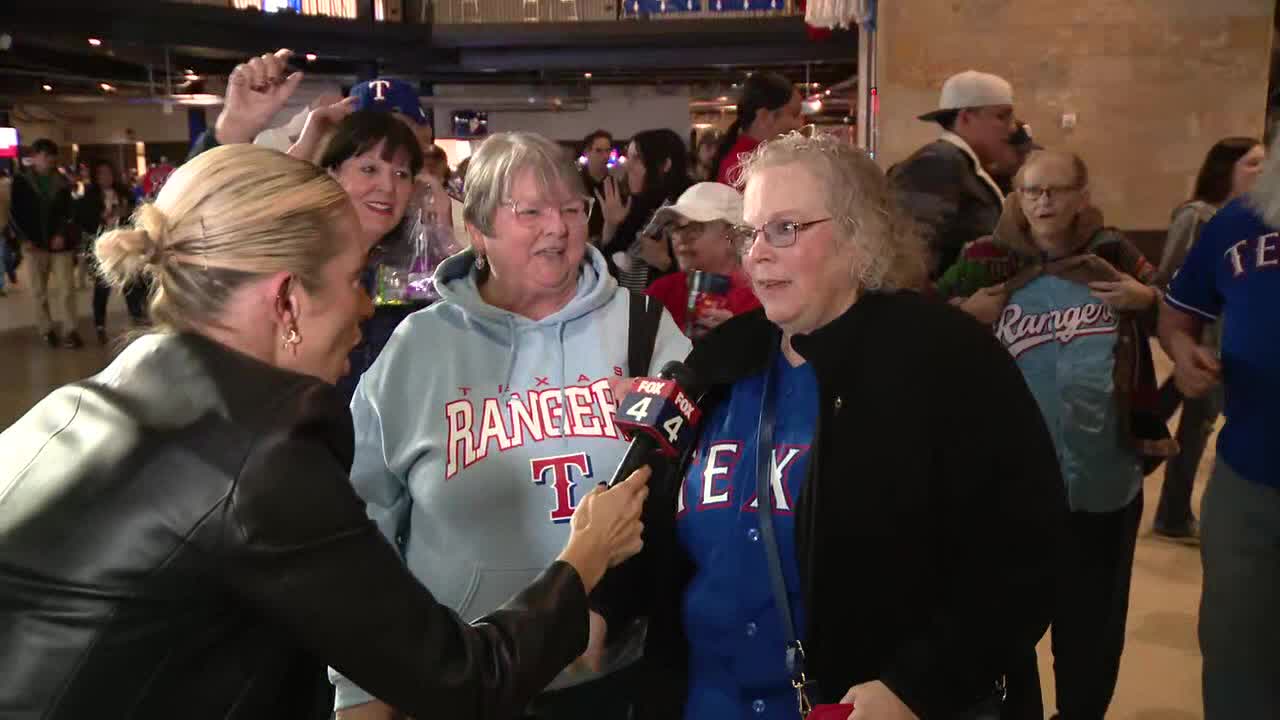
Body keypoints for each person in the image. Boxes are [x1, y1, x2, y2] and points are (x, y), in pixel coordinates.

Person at [0, 143, 652, 719]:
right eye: (355, 281)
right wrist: (585, 557)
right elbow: (467, 681)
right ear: (286, 301)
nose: (368, 308)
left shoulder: (89, 400)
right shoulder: (256, 459)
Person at [596, 132, 1066, 720]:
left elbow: (1024, 551)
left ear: (857, 234)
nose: (757, 254)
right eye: (750, 232)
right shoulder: (718, 361)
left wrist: (916, 688)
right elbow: (645, 511)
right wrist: (598, 608)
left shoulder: (946, 359)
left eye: (785, 229)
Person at [328, 131, 691, 719]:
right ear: (478, 228)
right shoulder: (420, 346)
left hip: (612, 681)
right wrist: (358, 688)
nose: (558, 227)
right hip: (459, 681)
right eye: (531, 212)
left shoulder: (644, 329)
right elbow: (360, 524)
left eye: (573, 208)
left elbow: (685, 494)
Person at [940, 150, 1170, 720]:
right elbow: (924, 323)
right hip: (1009, 488)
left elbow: (1177, 309)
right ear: (1016, 194)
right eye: (1032, 190)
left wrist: (1148, 302)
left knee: (1092, 628)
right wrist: (964, 313)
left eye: (1057, 190)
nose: (1043, 202)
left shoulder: (1111, 255)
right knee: (1005, 626)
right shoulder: (984, 260)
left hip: (1103, 477)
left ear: (1081, 194)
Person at [1161, 133, 1280, 720]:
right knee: (1236, 655)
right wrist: (1183, 354)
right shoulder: (1242, 219)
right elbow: (1179, 311)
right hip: (1249, 479)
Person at [1149, 137, 1265, 543]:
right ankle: (1172, 513)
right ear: (1225, 169)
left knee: (1193, 425)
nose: (1261, 170)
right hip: (1207, 346)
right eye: (1252, 164)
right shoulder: (1201, 217)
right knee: (1191, 429)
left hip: (1222, 348)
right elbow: (1170, 277)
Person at [889, 70, 1019, 279]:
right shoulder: (936, 163)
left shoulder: (960, 163)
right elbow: (911, 255)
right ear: (966, 118)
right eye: (1002, 116)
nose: (1012, 128)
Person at [641, 182, 761, 338]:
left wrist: (739, 338)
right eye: (675, 227)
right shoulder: (662, 291)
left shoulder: (761, 300)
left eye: (695, 228)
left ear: (734, 236)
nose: (680, 238)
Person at [9, 138, 81, 348]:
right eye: (45, 156)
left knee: (67, 289)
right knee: (38, 292)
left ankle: (71, 330)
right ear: (35, 157)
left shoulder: (62, 182)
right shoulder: (21, 182)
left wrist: (61, 234)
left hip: (61, 246)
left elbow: (69, 213)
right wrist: (25, 239)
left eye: (52, 156)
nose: (49, 160)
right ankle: (46, 329)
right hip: (34, 246)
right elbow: (15, 214)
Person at [599, 128, 691, 291]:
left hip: (666, 311)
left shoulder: (688, 209)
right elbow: (608, 266)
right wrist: (610, 225)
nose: (628, 166)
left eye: (637, 158)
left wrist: (665, 264)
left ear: (665, 165)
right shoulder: (635, 205)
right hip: (630, 308)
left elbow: (707, 278)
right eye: (629, 157)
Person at [74, 159, 147, 344]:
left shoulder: (125, 194)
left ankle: (138, 318)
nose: (105, 177)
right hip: (102, 245)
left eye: (108, 173)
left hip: (124, 243)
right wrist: (101, 217)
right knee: (102, 286)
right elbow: (83, 220)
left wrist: (125, 214)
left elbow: (136, 214)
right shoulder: (89, 197)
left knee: (131, 283)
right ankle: (99, 325)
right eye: (101, 174)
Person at [711, 72, 804, 185]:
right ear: (765, 116)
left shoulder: (745, 161)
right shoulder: (745, 168)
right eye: (795, 114)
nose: (801, 123)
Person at [581, 129, 614, 241]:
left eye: (608, 150)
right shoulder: (574, 183)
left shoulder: (615, 186)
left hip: (607, 244)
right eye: (599, 151)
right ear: (587, 152)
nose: (605, 156)